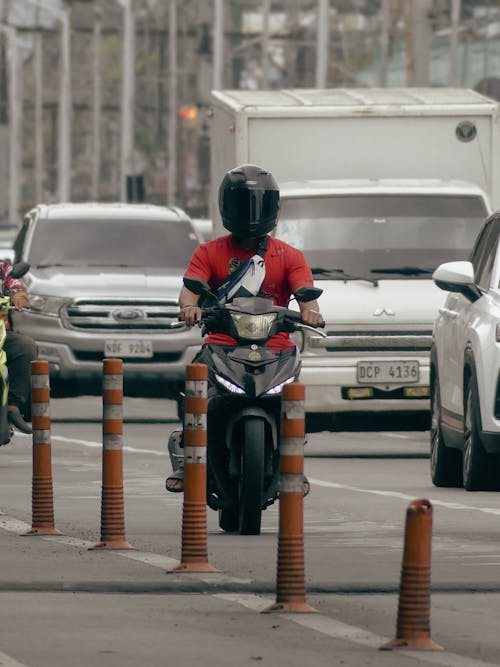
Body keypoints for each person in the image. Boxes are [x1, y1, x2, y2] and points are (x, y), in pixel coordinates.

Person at [166, 164, 323, 493]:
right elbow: (190, 291)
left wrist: (310, 313)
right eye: (242, 203)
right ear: (227, 206)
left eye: (259, 204)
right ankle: (188, 457)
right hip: (221, 346)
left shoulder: (290, 256)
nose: (251, 213)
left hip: (277, 348)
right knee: (193, 385)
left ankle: (292, 461)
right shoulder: (208, 252)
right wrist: (189, 308)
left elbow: (307, 297)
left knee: (292, 402)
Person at [0, 261, 37, 435]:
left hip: (3, 336)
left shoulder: (3, 269)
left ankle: (13, 406)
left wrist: (19, 296)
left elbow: (14, 284)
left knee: (26, 346)